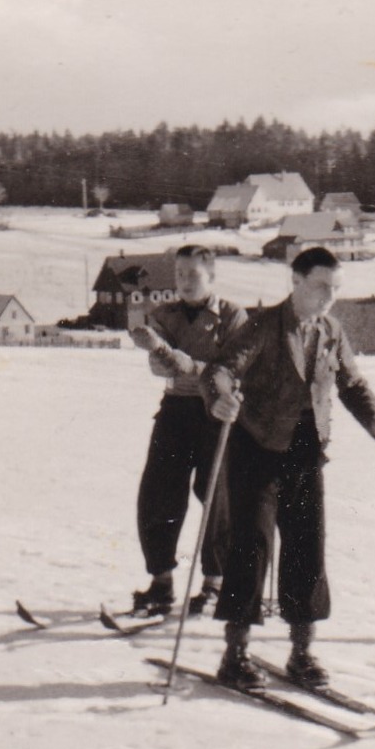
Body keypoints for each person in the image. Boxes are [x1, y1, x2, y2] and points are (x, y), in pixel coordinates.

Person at [201, 246, 375, 691]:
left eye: (336, 289)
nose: (329, 297)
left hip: (307, 453)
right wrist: (222, 396)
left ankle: (302, 651)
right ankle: (236, 653)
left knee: (308, 547)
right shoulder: (265, 325)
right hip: (257, 448)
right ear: (296, 281)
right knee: (251, 547)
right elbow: (221, 369)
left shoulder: (331, 330)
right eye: (321, 286)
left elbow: (350, 382)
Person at [127, 245, 248, 618]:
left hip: (218, 411)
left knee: (217, 496)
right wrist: (157, 350)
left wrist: (171, 354)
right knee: (158, 494)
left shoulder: (231, 316)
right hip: (177, 411)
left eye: (193, 275)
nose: (184, 282)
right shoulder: (165, 314)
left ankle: (214, 583)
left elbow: (228, 368)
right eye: (179, 274)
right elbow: (162, 370)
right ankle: (161, 582)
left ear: (211, 277)